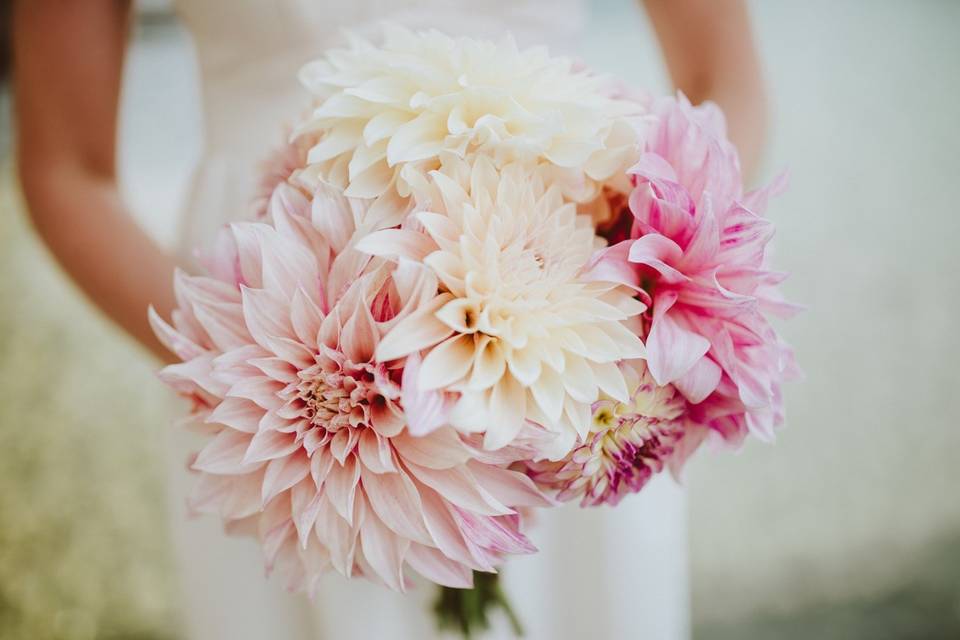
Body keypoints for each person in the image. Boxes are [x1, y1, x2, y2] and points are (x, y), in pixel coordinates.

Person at [11, 1, 766, 638]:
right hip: (274, 318)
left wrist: (647, 266)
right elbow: (67, 169)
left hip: (576, 288)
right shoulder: (277, 371)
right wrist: (250, 369)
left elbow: (721, 80)